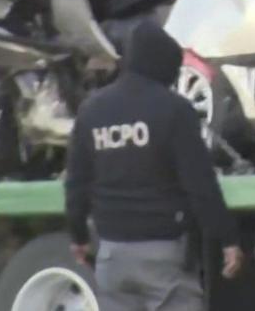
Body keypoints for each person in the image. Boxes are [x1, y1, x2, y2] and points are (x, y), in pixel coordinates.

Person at [65, 19, 244, 310]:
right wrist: (227, 239)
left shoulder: (92, 110)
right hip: (163, 253)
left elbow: (76, 182)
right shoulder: (174, 109)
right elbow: (200, 184)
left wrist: (78, 236)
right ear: (164, 66)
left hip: (112, 255)